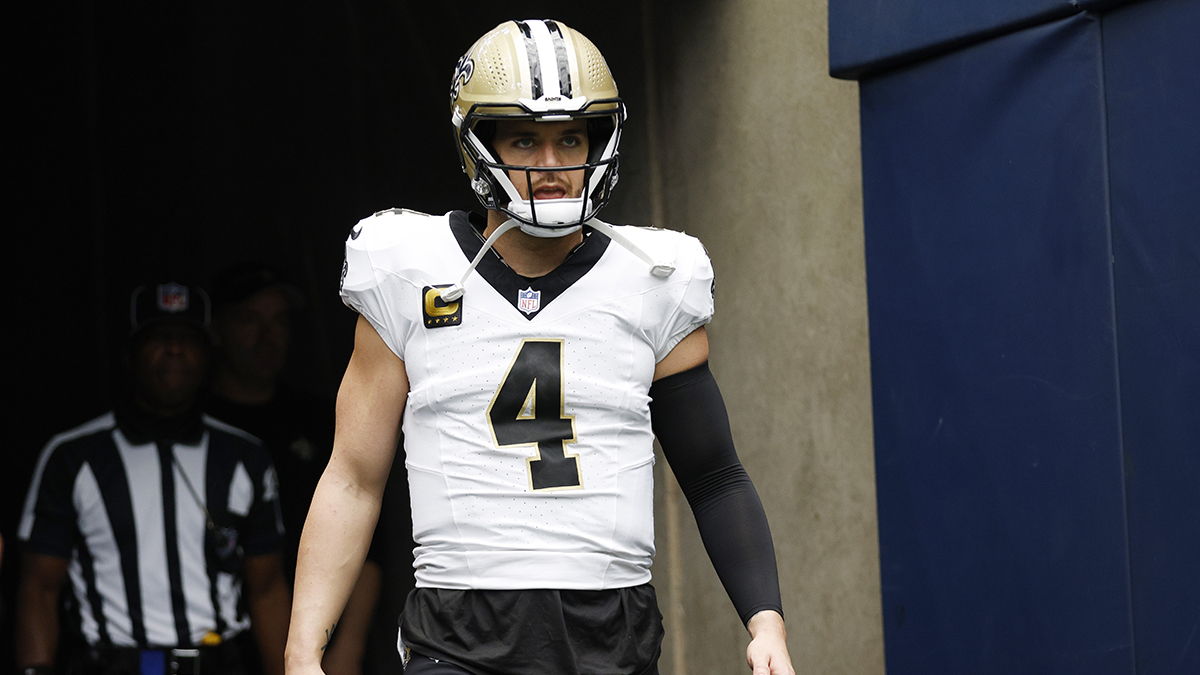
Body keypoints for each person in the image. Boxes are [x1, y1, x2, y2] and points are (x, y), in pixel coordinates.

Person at [286, 19, 795, 675]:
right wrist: (303, 650)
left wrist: (765, 622)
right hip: (458, 634)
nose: (552, 165)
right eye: (526, 138)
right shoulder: (409, 270)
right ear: (480, 144)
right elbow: (354, 478)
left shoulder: (656, 277)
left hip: (610, 633)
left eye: (571, 138)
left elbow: (714, 474)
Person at [16, 282, 291, 675]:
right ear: (130, 355)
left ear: (208, 356)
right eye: (159, 337)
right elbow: (39, 587)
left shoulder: (245, 457)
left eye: (188, 339)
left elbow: (267, 588)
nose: (174, 349)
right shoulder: (74, 456)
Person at [206, 263, 387, 675]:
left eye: (279, 321)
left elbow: (367, 541)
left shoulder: (321, 420)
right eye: (249, 319)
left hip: (320, 643)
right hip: (221, 645)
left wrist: (348, 649)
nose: (266, 335)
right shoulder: (197, 428)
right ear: (217, 328)